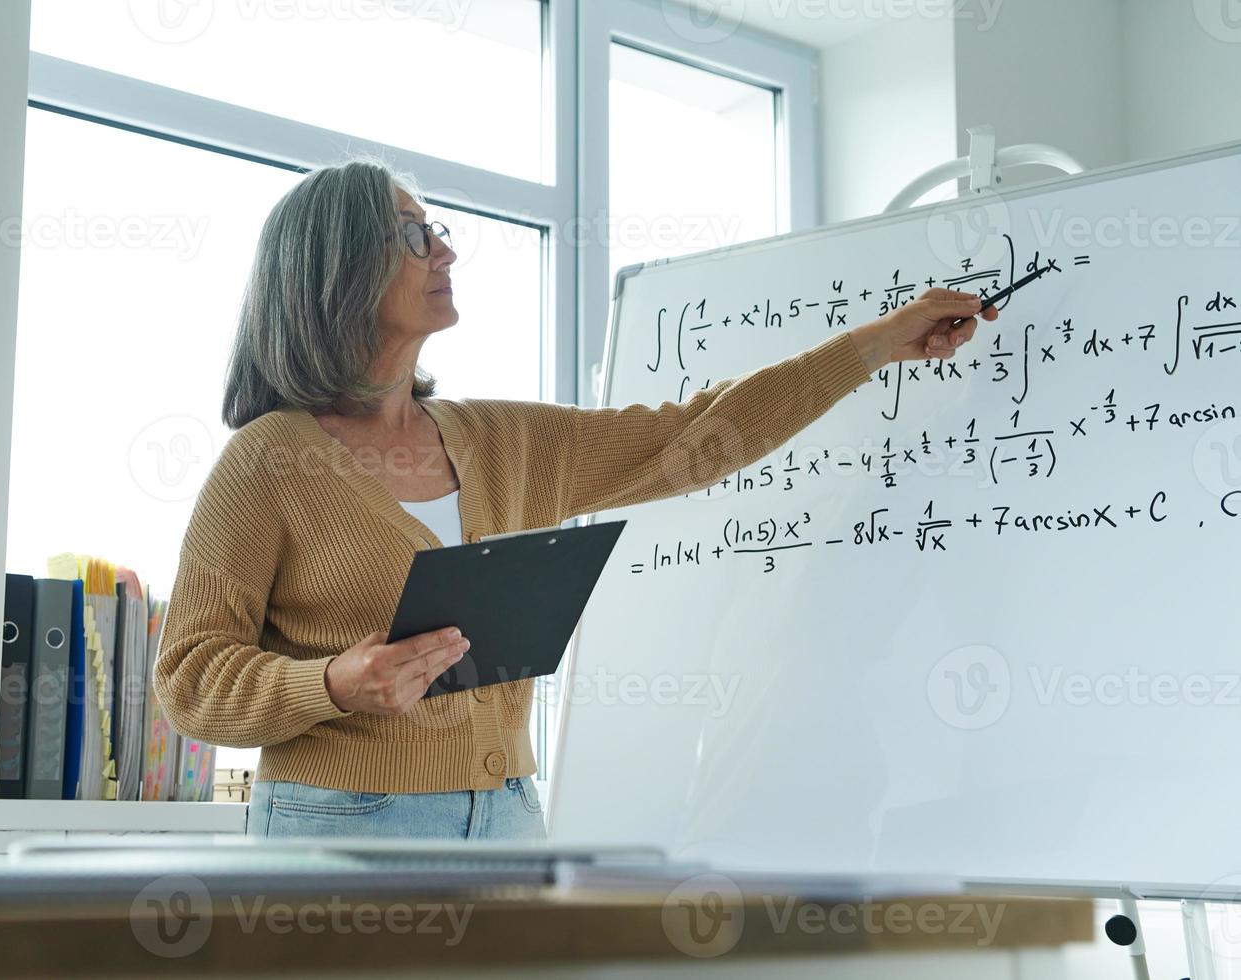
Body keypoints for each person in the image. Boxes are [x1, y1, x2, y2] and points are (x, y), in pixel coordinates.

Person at [154, 159, 998, 840]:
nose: (444, 251)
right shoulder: (265, 465)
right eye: (414, 235)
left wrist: (877, 343)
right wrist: (333, 683)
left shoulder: (502, 441)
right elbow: (190, 679)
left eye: (437, 231)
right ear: (335, 267)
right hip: (337, 828)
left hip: (510, 819)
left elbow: (696, 435)